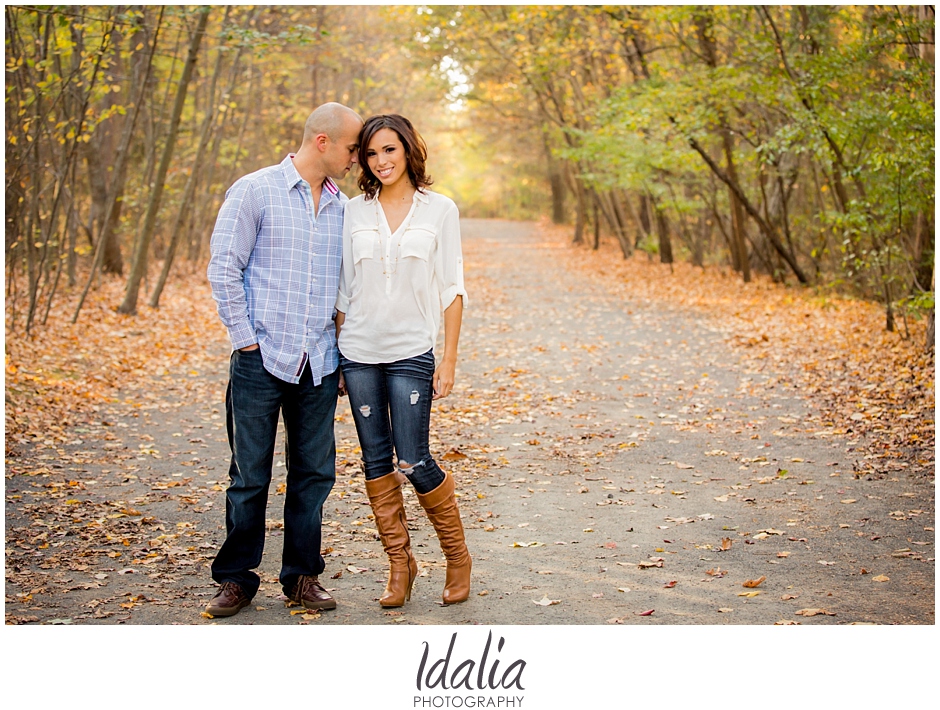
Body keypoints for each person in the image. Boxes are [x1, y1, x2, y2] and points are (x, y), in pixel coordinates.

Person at [205, 102, 363, 617]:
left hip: (318, 362)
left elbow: (346, 288)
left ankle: (301, 577)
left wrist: (340, 354)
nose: (356, 157)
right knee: (249, 474)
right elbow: (224, 267)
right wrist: (245, 339)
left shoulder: (345, 208)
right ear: (322, 141)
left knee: (314, 473)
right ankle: (235, 578)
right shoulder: (255, 190)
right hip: (260, 357)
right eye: (351, 147)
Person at [335, 114, 471, 607]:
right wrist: (338, 351)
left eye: (389, 150)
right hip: (359, 354)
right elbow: (343, 291)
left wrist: (449, 359)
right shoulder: (353, 211)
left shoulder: (440, 211)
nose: (381, 161)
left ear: (409, 150)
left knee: (412, 459)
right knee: (374, 463)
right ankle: (400, 565)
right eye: (371, 153)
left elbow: (452, 289)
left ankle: (457, 557)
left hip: (412, 350)